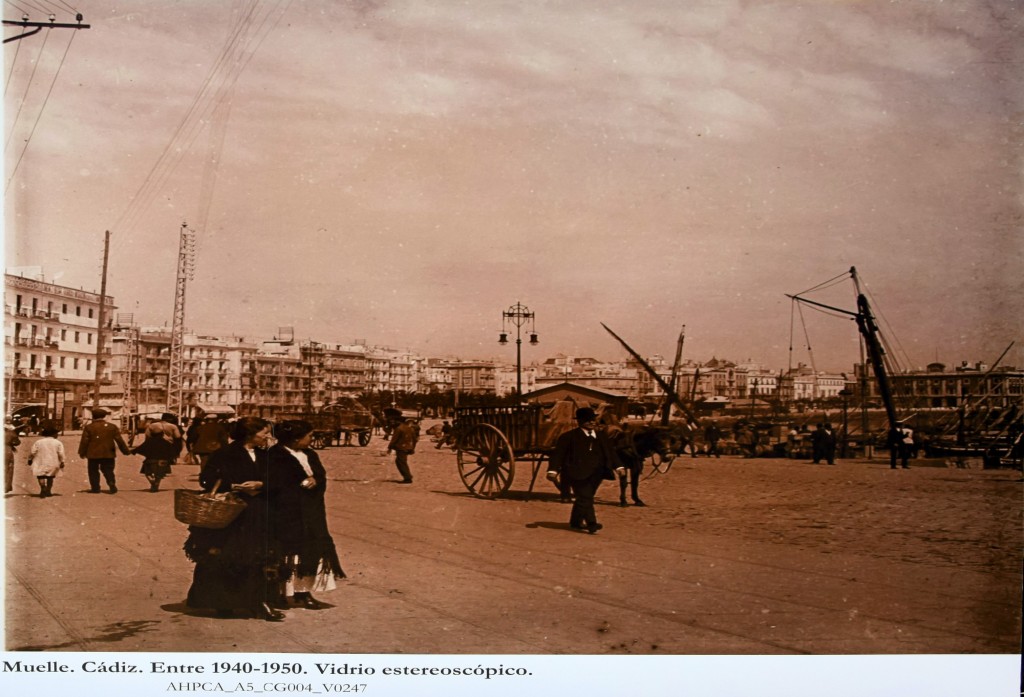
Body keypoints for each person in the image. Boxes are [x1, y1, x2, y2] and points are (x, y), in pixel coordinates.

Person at [183, 416, 284, 621]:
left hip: (259, 511)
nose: (267, 436)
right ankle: (223, 603)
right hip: (232, 514)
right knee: (228, 558)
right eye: (263, 432)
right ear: (249, 434)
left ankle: (259, 602)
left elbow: (280, 478)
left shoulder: (266, 455)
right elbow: (208, 479)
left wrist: (262, 485)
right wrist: (234, 486)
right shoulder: (225, 453)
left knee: (259, 557)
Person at [269, 420, 346, 610]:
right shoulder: (275, 456)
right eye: (309, 436)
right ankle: (279, 594)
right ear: (296, 439)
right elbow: (275, 484)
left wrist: (316, 480)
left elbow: (320, 475)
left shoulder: (310, 454)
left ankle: (303, 593)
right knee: (288, 553)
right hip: (288, 513)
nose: (312, 439)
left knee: (310, 550)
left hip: (311, 511)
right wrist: (298, 488)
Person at [546, 407, 623, 534]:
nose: (592, 422)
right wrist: (553, 470)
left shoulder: (601, 436)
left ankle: (575, 522)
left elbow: (611, 453)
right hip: (576, 473)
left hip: (597, 473)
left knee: (584, 498)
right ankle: (592, 523)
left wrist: (619, 467)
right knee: (586, 497)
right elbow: (558, 455)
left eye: (593, 419)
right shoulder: (568, 437)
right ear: (580, 421)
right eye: (588, 420)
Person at [78, 407, 131, 494]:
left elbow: (84, 441)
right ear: (104, 416)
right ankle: (111, 483)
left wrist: (82, 452)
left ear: (93, 416)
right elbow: (119, 440)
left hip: (93, 453)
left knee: (93, 471)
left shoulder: (89, 427)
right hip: (108, 453)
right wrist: (126, 451)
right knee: (108, 470)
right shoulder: (112, 427)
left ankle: (95, 488)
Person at [133, 412, 183, 492]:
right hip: (168, 448)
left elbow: (147, 437)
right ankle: (156, 482)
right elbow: (178, 438)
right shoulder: (173, 426)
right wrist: (176, 452)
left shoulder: (152, 426)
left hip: (153, 447)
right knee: (161, 469)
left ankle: (153, 483)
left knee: (148, 468)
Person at [28, 423, 66, 498]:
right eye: (56, 434)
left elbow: (33, 452)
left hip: (40, 462)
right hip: (53, 462)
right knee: (50, 477)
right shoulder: (58, 443)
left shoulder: (38, 442)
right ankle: (48, 490)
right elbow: (61, 453)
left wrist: (30, 459)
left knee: (40, 476)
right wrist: (62, 461)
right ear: (53, 434)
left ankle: (43, 487)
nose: (57, 435)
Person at [387, 416, 419, 484]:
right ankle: (408, 475)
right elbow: (415, 440)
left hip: (401, 448)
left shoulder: (399, 429)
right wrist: (413, 448)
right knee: (401, 461)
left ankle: (407, 478)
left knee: (401, 462)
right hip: (408, 447)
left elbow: (394, 439)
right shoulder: (410, 429)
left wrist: (389, 448)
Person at [4, 420, 20, 494]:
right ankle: (6, 486)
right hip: (7, 450)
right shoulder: (10, 433)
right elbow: (17, 442)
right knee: (8, 468)